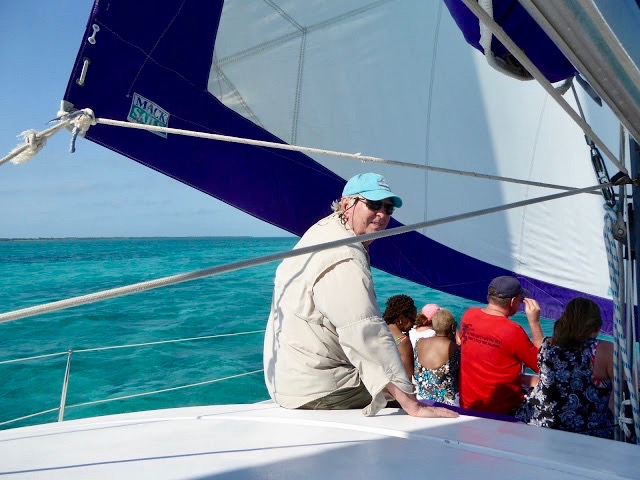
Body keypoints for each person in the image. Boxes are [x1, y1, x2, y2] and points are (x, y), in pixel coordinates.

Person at [263, 172, 457, 419]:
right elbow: (366, 331)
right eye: (373, 204)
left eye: (388, 209)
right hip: (318, 388)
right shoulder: (343, 257)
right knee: (402, 396)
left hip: (289, 378)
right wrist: (412, 405)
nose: (382, 214)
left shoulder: (324, 230)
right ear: (347, 204)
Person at [514, 297, 614, 438]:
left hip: (539, 421)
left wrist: (534, 322)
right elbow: (629, 384)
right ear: (595, 327)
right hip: (586, 430)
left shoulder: (548, 345)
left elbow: (540, 350)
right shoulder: (605, 350)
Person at [459, 275, 542, 415]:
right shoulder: (513, 330)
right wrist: (534, 323)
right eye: (521, 300)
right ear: (513, 301)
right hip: (503, 410)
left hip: (468, 404)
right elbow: (543, 366)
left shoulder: (468, 315)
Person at [414, 309, 461, 405]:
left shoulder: (419, 342)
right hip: (448, 404)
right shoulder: (455, 348)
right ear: (453, 327)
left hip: (422, 399)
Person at [383, 295, 417, 379]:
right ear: (401, 318)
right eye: (412, 320)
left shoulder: (379, 331)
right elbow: (409, 376)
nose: (414, 324)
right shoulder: (403, 341)